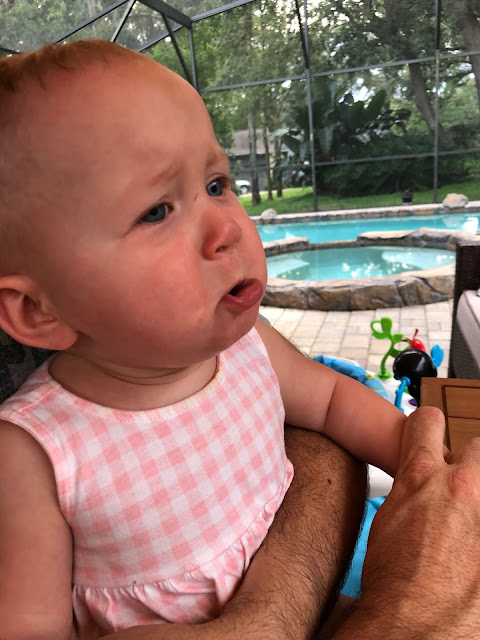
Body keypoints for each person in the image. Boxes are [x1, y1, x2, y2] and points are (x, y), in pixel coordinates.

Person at [0, 40, 479, 639]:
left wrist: (430, 470)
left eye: (217, 184)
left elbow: (333, 400)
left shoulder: (245, 346)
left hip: (323, 599)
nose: (227, 228)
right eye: (156, 211)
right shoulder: (34, 454)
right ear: (38, 310)